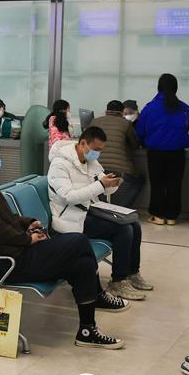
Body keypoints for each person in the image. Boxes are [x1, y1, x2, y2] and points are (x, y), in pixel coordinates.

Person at [0, 135, 128, 349]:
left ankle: (87, 330)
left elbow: (5, 218)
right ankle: (98, 294)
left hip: (16, 253)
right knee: (78, 241)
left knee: (81, 265)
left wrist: (27, 223)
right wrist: (27, 239)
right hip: (7, 262)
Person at [48, 127, 152, 300]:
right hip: (70, 218)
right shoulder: (60, 165)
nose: (97, 154)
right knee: (123, 229)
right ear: (82, 143)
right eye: (95, 149)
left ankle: (132, 272)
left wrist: (112, 184)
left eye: (100, 150)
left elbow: (102, 187)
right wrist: (101, 185)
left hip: (89, 211)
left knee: (133, 223)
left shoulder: (90, 161)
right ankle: (118, 281)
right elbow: (70, 197)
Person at [136, 73, 189, 226]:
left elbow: (140, 130)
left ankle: (158, 215)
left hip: (156, 152)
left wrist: (144, 141)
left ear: (159, 87)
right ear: (175, 87)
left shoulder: (150, 107)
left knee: (157, 183)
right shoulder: (181, 106)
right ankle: (171, 217)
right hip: (177, 152)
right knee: (174, 184)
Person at [91, 100, 144, 208]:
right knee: (139, 180)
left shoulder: (94, 122)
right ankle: (120, 208)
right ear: (121, 112)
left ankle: (100, 206)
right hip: (121, 171)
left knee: (99, 183)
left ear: (106, 111)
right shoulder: (126, 124)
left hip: (96, 166)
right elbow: (135, 145)